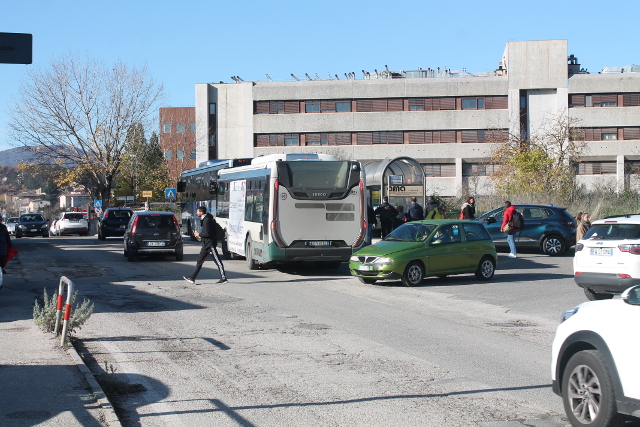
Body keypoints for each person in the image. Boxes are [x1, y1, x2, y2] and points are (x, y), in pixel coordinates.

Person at [183, 206, 228, 284]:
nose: (196, 213)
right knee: (199, 261)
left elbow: (207, 234)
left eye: (197, 211)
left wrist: (199, 234)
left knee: (218, 261)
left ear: (201, 212)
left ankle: (223, 278)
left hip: (210, 244)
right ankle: (192, 278)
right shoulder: (204, 220)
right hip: (205, 245)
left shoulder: (207, 221)